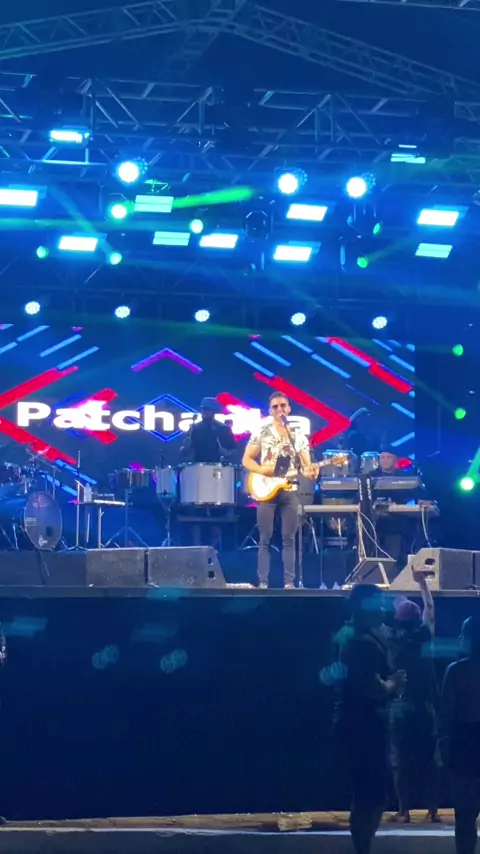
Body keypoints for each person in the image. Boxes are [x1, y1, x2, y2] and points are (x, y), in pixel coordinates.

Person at [334, 584, 406, 854]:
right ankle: (362, 849)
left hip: (361, 724)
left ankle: (363, 847)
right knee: (370, 795)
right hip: (364, 727)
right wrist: (394, 683)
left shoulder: (356, 634)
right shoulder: (361, 642)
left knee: (371, 793)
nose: (384, 610)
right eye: (379, 604)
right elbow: (373, 689)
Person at [242, 391, 316, 589]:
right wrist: (262, 470)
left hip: (289, 488)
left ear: (288, 409)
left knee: (289, 538)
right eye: (275, 406)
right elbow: (246, 459)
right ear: (270, 410)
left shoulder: (297, 436)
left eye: (282, 405)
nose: (279, 409)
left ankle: (289, 582)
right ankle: (263, 582)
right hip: (266, 488)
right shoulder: (262, 431)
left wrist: (311, 471)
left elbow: (306, 464)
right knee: (265, 538)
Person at [388, 568, 440, 823]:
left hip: (401, 706)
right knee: (428, 759)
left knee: (401, 760)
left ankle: (404, 811)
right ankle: (433, 810)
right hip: (424, 707)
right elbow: (430, 609)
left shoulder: (391, 639)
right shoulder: (425, 636)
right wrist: (422, 584)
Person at [442, 615, 480, 854]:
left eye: (463, 633)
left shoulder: (456, 671)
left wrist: (443, 744)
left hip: (464, 742)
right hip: (465, 740)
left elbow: (446, 711)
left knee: (464, 815)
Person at [180, 397, 235, 463]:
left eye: (207, 409)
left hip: (218, 465)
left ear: (214, 411)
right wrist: (185, 448)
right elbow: (183, 452)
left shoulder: (223, 428)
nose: (204, 411)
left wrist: (227, 453)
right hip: (197, 465)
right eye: (203, 409)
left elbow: (233, 450)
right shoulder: (194, 428)